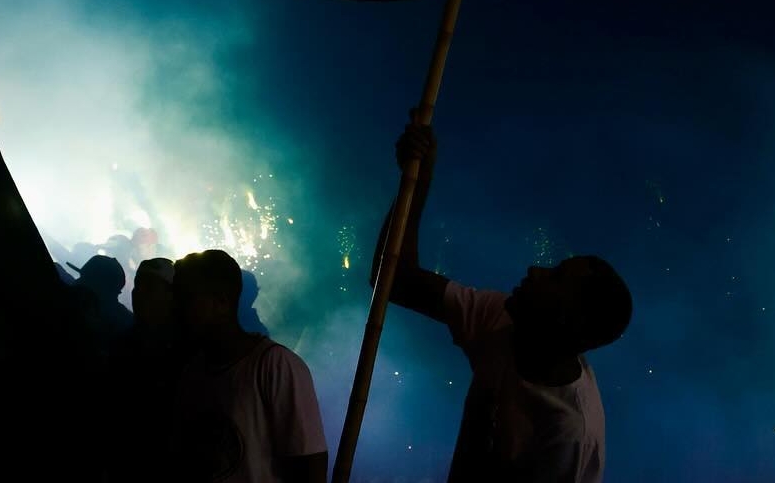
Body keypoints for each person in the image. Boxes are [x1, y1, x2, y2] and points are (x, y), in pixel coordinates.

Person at [382, 115, 633, 483]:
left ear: (569, 321)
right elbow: (396, 280)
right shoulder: (501, 319)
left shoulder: (567, 434)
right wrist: (416, 178)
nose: (535, 270)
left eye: (557, 276)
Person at [173, 249, 327, 483]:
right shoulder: (192, 371)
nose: (177, 309)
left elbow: (310, 468)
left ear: (222, 302)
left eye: (187, 298)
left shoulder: (276, 366)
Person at [109, 258, 185, 483]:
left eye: (150, 287)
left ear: (172, 296)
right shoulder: (124, 342)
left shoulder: (188, 351)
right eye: (138, 285)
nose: (140, 293)